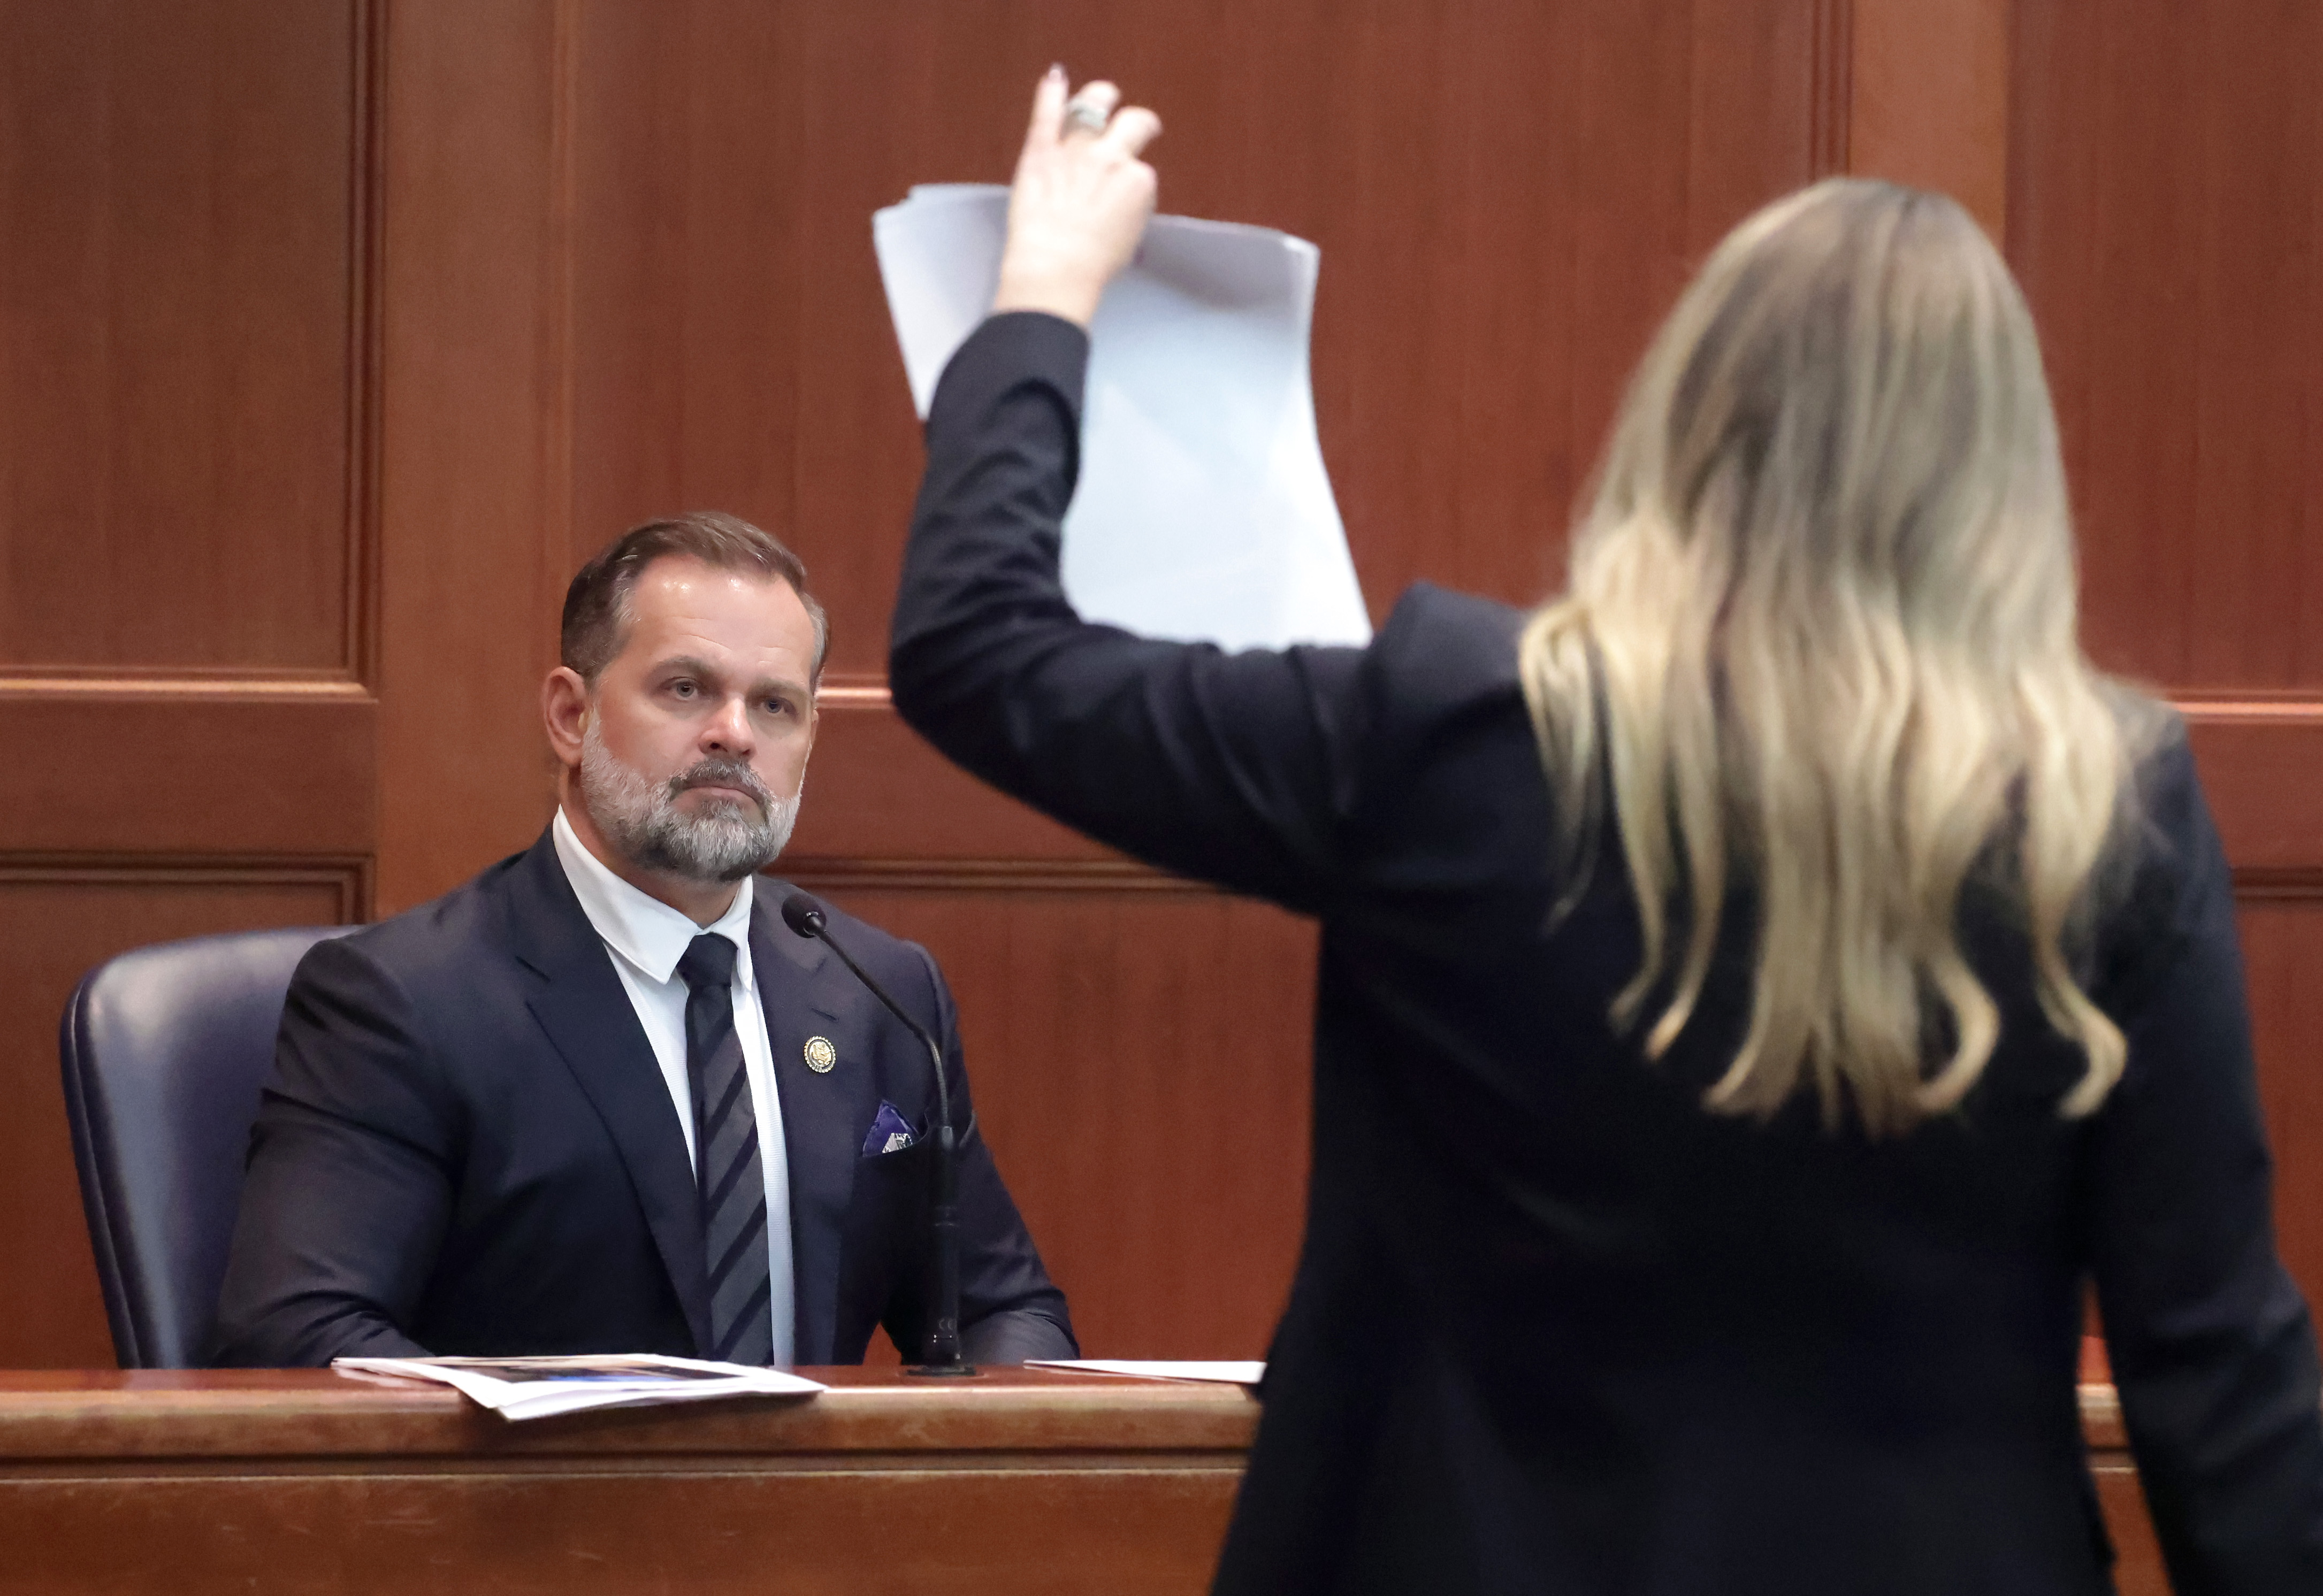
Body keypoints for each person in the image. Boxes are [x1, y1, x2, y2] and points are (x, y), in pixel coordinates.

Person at [886, 71, 2323, 1593]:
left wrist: (1043, 292)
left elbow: (978, 650)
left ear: (1685, 417)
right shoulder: (2102, 815)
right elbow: (2210, 1374)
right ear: (2004, 487)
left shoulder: (1450, 734)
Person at [214, 511, 1074, 1368]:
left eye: (775, 705)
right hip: (540, 1500)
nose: (733, 734)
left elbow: (1005, 1309)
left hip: (817, 1503)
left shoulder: (881, 991)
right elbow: (298, 1338)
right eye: (686, 689)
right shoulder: (406, 1000)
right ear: (568, 716)